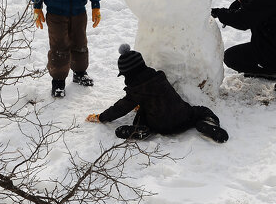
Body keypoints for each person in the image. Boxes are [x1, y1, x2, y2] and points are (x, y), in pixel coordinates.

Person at [87, 45, 228, 143]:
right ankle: (207, 122)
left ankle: (140, 129)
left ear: (128, 74)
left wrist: (102, 117)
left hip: (159, 126)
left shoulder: (135, 91)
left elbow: (120, 108)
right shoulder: (160, 76)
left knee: (143, 112)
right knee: (202, 110)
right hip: (184, 117)